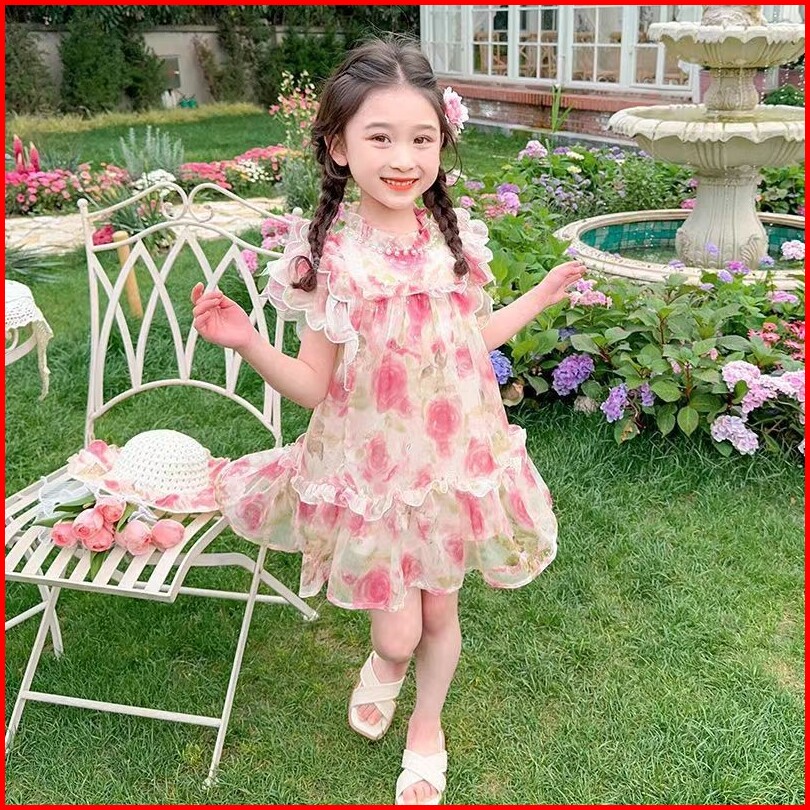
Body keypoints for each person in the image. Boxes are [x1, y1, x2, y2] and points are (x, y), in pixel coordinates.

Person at [191, 37, 585, 805]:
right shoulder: (330, 263)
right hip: (371, 476)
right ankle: (385, 664)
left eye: (421, 138)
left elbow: (469, 340)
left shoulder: (454, 244)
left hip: (449, 465)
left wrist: (537, 298)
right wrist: (248, 343)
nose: (403, 159)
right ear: (339, 147)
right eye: (380, 137)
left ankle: (426, 728)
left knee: (441, 613)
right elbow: (312, 386)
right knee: (399, 631)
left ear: (441, 144)